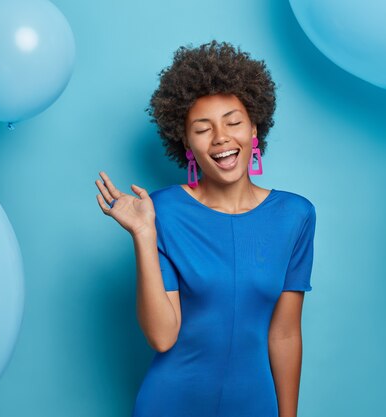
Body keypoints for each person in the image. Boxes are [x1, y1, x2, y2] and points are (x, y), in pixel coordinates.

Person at [95, 40, 316, 417]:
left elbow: (284, 334)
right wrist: (144, 235)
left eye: (233, 122)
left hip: (254, 406)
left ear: (255, 129)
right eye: (203, 129)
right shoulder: (160, 211)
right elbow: (162, 337)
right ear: (185, 142)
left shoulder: (295, 215)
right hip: (170, 403)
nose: (221, 139)